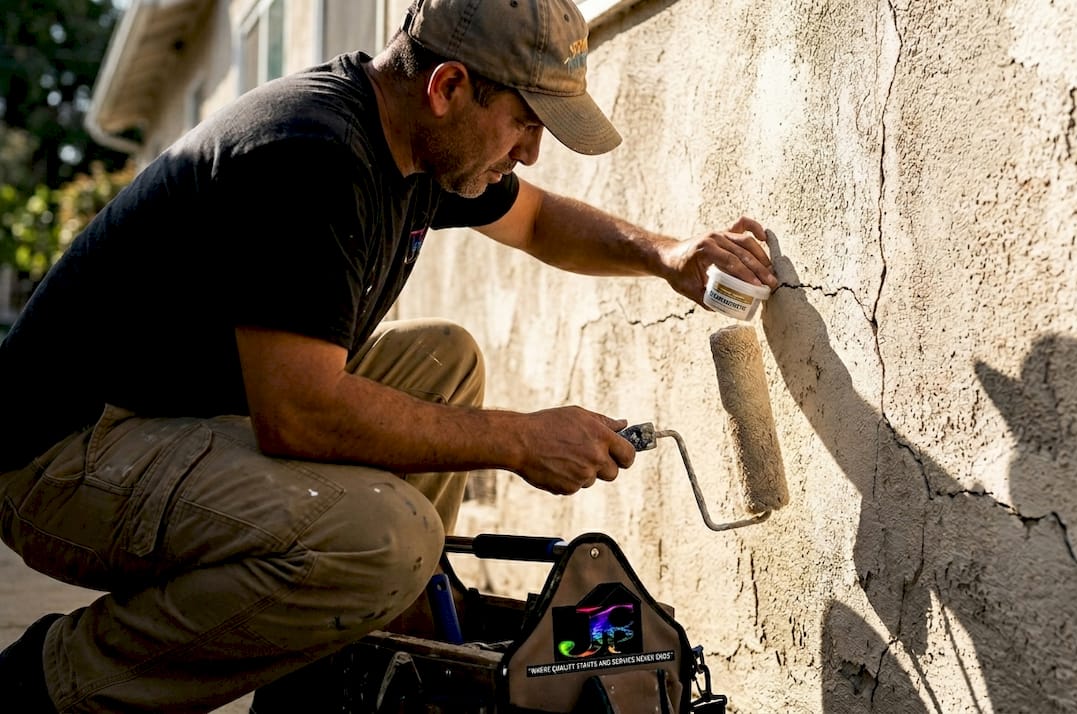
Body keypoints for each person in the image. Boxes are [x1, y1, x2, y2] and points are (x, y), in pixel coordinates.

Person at [0, 0, 777, 711]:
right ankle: (53, 683)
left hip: (181, 409)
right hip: (63, 455)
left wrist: (668, 255)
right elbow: (298, 416)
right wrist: (520, 438)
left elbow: (538, 222)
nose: (532, 153)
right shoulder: (311, 156)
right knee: (386, 539)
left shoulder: (411, 141)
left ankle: (355, 642)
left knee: (445, 360)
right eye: (525, 122)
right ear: (448, 86)